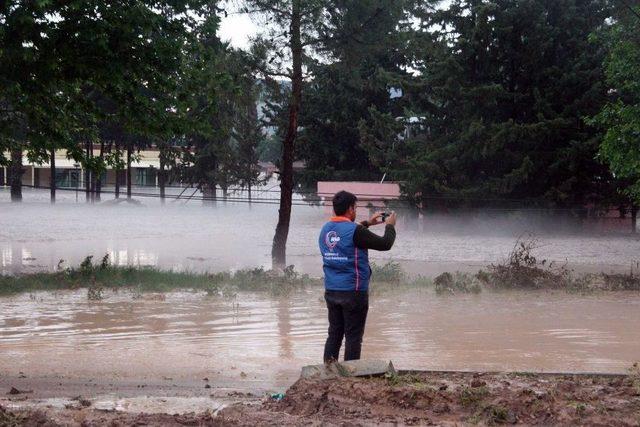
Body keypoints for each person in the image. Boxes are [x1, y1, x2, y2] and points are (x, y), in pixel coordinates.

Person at [318, 190, 397, 363]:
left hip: (332, 291)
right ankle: (349, 376)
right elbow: (385, 244)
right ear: (350, 209)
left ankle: (328, 371)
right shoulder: (356, 232)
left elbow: (345, 235)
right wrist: (390, 225)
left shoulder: (325, 230)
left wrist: (368, 223)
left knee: (334, 335)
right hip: (353, 292)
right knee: (353, 337)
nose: (355, 210)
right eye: (355, 207)